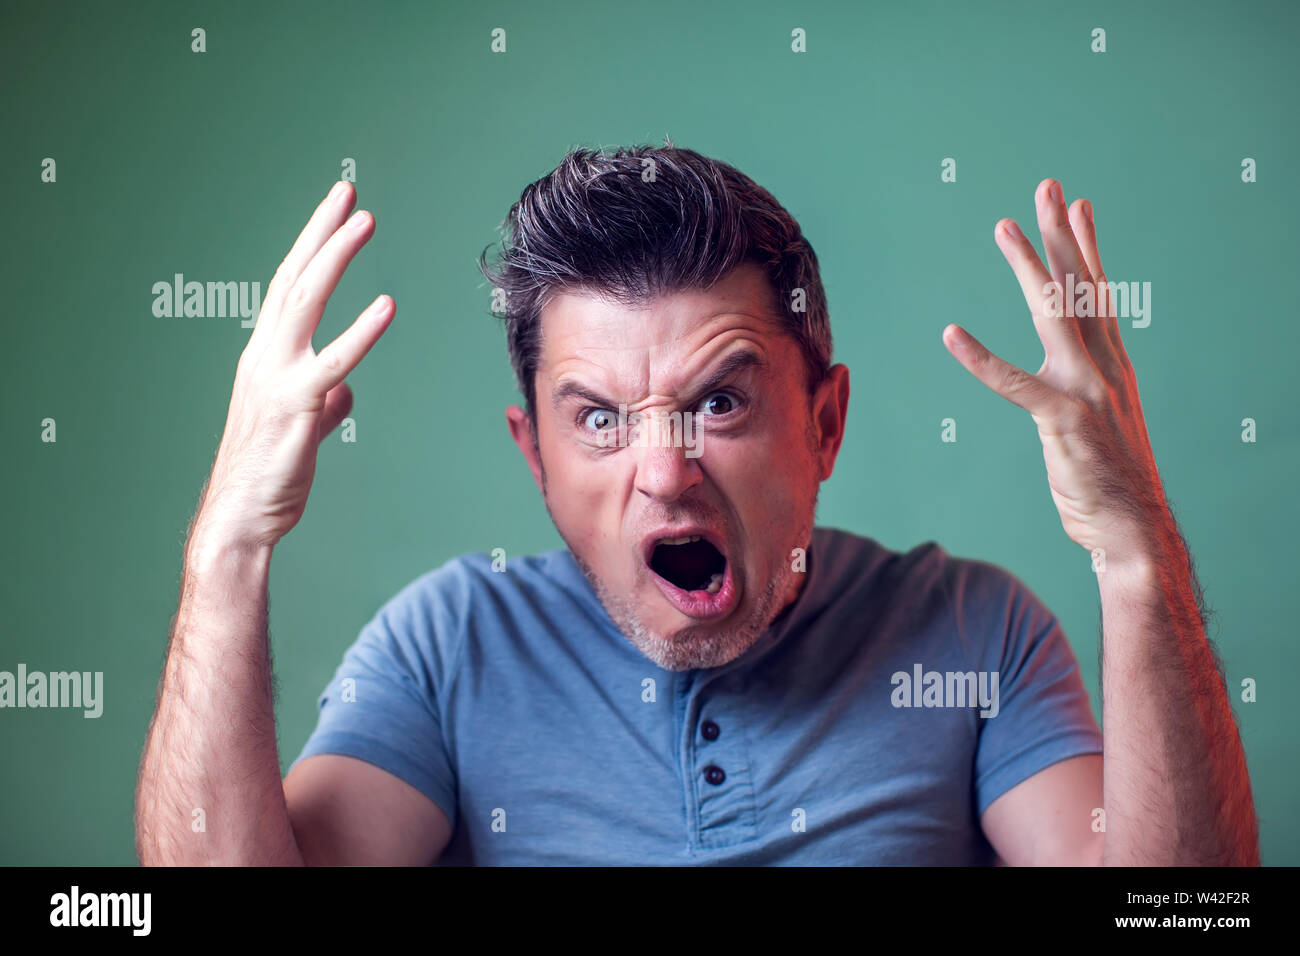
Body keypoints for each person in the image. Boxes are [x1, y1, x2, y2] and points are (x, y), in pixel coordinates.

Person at [134, 144, 1259, 866]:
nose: (664, 471)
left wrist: (1132, 547)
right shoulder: (449, 647)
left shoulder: (972, 634)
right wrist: (228, 543)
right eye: (600, 417)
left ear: (823, 423)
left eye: (718, 401)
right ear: (533, 453)